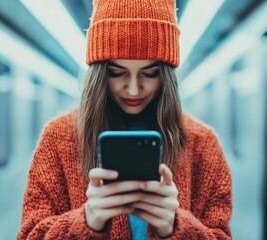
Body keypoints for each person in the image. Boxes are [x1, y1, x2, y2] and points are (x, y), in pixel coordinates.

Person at [17, 0, 232, 239]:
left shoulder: (202, 144)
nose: (132, 89)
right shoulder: (58, 138)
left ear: (167, 75)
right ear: (99, 74)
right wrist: (87, 222)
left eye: (149, 73)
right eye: (116, 73)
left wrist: (174, 227)